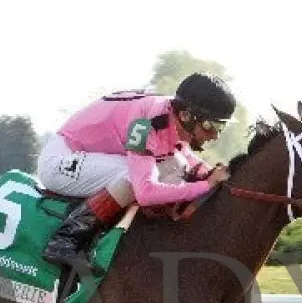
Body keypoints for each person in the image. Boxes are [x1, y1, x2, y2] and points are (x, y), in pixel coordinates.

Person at [38, 72, 235, 270]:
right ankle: (65, 239)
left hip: (88, 156)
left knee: (174, 167)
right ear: (186, 116)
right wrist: (205, 185)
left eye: (221, 127)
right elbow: (145, 192)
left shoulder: (170, 114)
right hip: (60, 161)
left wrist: (211, 173)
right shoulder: (145, 123)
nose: (215, 136)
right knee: (133, 175)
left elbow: (180, 156)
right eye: (211, 126)